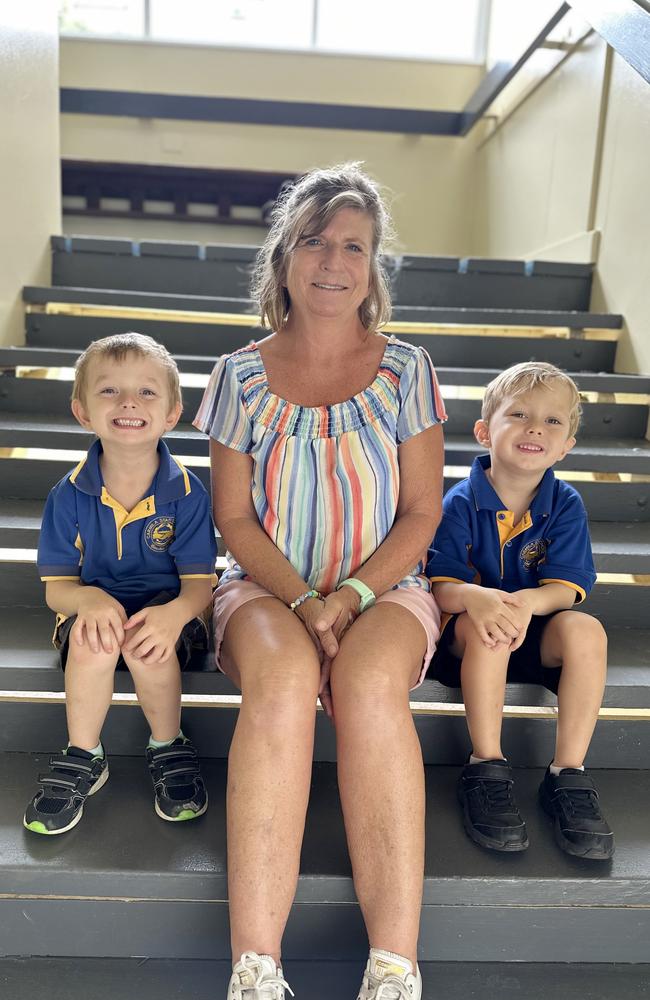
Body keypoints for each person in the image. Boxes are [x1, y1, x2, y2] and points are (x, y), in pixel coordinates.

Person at [194, 164, 447, 1000]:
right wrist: (304, 599)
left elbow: (419, 513)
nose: (332, 260)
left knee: (371, 683)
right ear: (284, 257)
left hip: (384, 588)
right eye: (314, 240)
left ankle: (394, 967)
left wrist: (347, 598)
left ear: (372, 269)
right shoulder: (237, 376)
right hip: (267, 588)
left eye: (353, 246)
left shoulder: (408, 372)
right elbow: (233, 520)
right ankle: (255, 967)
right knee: (284, 679)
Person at [25, 332, 217, 835]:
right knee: (91, 646)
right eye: (109, 391)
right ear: (82, 411)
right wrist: (87, 600)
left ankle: (168, 742)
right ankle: (85, 753)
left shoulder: (189, 494)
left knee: (149, 647)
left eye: (147, 392)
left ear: (173, 413)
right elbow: (57, 588)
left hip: (171, 614)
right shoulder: (66, 496)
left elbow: (200, 585)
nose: (129, 402)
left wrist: (174, 614)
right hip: (95, 610)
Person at [427, 361, 614, 860]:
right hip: (469, 637)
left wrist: (529, 601)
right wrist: (476, 598)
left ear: (567, 446)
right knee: (489, 629)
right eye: (521, 415)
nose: (536, 428)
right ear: (486, 431)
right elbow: (442, 587)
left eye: (554, 422)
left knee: (587, 632)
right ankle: (486, 764)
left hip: (534, 630)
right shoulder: (460, 502)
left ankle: (566, 775)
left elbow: (570, 587)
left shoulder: (565, 503)